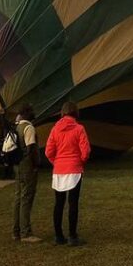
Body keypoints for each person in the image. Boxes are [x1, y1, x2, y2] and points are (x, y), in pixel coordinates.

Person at [44, 101, 91, 246]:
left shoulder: (55, 129)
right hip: (74, 170)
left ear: (63, 112)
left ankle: (58, 236)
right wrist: (80, 162)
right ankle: (72, 236)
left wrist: (56, 162)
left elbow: (48, 152)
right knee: (73, 203)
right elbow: (86, 151)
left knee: (58, 203)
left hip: (59, 170)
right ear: (75, 112)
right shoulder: (79, 129)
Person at [11, 103, 41, 243]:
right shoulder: (28, 128)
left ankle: (16, 232)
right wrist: (36, 164)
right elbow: (31, 149)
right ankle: (26, 233)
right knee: (27, 198)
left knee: (18, 198)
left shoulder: (16, 127)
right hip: (27, 166)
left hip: (17, 166)